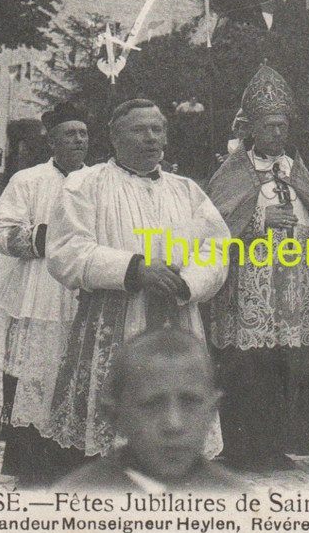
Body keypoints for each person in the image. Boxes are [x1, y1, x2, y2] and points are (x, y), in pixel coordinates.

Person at [45, 98, 230, 464]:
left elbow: (217, 248)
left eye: (157, 129)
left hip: (176, 316)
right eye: (138, 129)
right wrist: (133, 270)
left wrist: (188, 282)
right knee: (108, 430)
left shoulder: (186, 190)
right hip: (112, 316)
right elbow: (66, 250)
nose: (150, 138)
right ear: (114, 138)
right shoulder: (86, 184)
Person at [206, 65, 309, 471]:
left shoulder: (296, 169)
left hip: (294, 286)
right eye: (270, 126)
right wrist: (260, 225)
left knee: (287, 363)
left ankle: (277, 446)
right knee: (248, 368)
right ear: (252, 128)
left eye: (282, 126)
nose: (278, 134)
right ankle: (242, 448)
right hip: (248, 287)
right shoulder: (233, 171)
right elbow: (214, 226)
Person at [0, 102, 88, 486]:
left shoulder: (98, 180)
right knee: (34, 372)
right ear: (52, 140)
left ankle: (73, 463)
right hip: (38, 288)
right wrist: (41, 237)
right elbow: (1, 233)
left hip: (82, 288)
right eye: (69, 133)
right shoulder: (27, 181)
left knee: (75, 372)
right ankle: (30, 464)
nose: (78, 140)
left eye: (82, 133)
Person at [57, 330, 243, 491]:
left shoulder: (237, 499)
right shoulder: (77, 497)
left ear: (212, 411)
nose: (173, 425)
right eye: (152, 405)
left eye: (190, 403)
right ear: (114, 416)